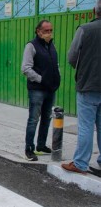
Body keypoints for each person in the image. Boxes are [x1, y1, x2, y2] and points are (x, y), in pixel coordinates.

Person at [62, 0, 101, 174]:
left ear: (95, 10)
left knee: (86, 126)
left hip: (88, 85)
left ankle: (80, 163)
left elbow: (72, 57)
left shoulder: (85, 29)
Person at [21, 20, 60, 161]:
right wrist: (41, 79)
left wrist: (57, 78)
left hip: (50, 89)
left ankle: (41, 145)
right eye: (46, 31)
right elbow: (25, 68)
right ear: (38, 31)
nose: (49, 33)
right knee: (33, 119)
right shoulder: (31, 46)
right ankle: (29, 149)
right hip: (37, 90)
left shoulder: (51, 45)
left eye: (50, 30)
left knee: (46, 118)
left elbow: (55, 64)